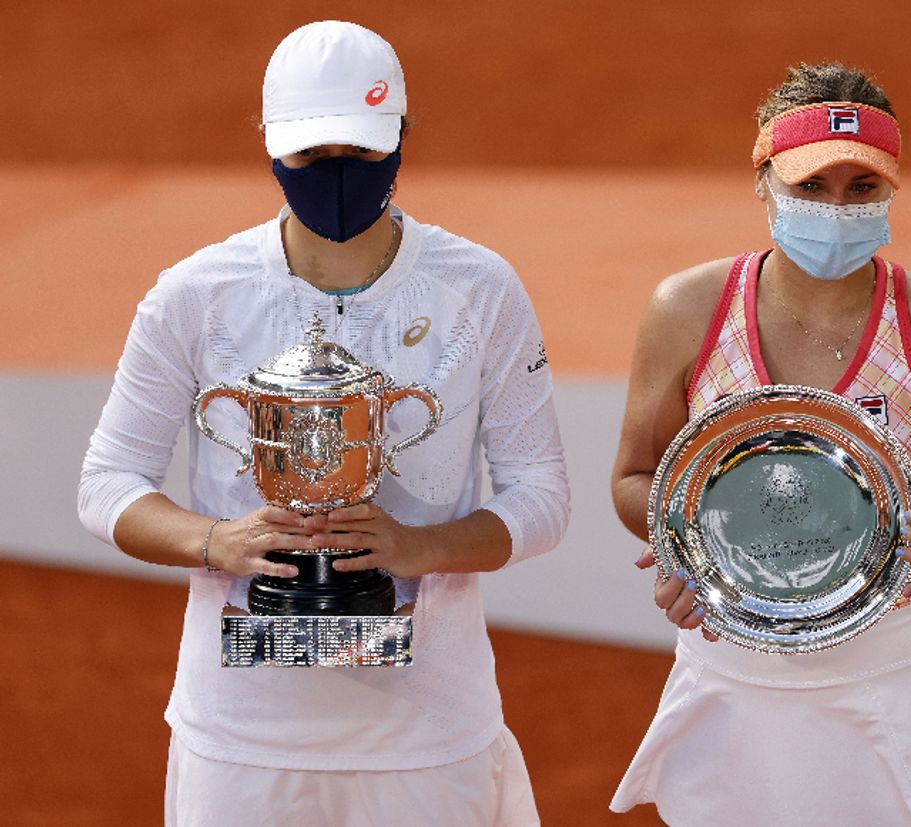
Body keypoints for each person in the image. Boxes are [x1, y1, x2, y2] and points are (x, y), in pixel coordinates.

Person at [78, 20, 569, 826]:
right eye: (312, 155)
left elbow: (542, 493)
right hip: (242, 739)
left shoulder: (482, 289)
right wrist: (219, 541)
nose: (338, 172)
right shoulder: (194, 294)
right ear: (270, 144)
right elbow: (105, 484)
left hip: (428, 734)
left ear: (401, 136)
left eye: (362, 151)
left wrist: (420, 548)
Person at [609, 63, 911, 826]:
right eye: (810, 186)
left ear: (890, 190)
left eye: (861, 187)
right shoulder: (686, 309)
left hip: (887, 676)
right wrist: (690, 546)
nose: (837, 208)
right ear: (763, 183)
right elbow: (637, 477)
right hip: (731, 668)